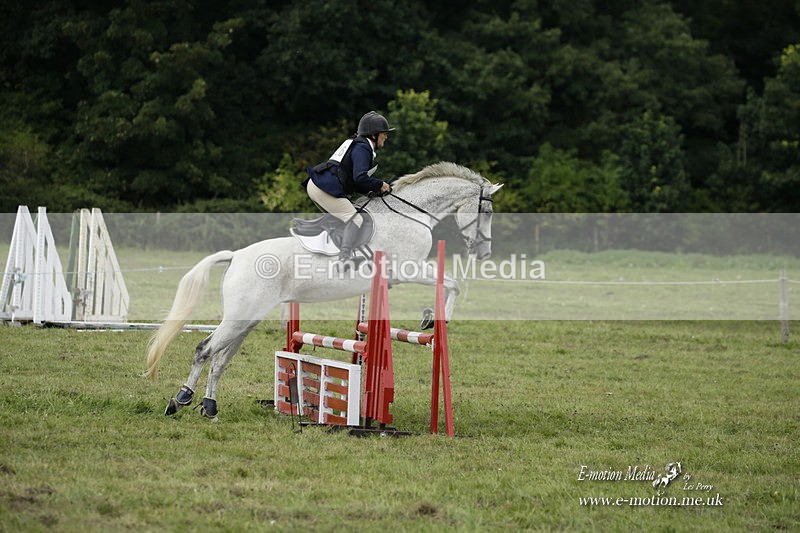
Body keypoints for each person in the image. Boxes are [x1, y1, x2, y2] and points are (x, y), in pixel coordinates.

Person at [304, 111, 394, 264]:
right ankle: (344, 258)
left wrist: (373, 190)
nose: (386, 136)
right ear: (373, 135)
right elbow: (360, 177)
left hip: (318, 185)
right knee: (355, 218)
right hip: (323, 188)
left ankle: (328, 257)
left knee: (342, 221)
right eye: (384, 133)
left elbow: (355, 181)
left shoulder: (359, 144)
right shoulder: (363, 147)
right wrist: (380, 184)